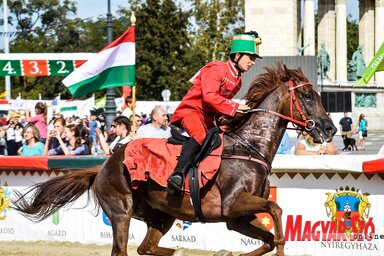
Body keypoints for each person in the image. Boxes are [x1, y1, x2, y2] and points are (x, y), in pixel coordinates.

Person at [167, 31, 262, 192]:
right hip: (191, 111)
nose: (252, 62)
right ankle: (177, 176)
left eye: (254, 59)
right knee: (200, 137)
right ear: (237, 55)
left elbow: (219, 107)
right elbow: (209, 97)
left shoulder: (238, 81)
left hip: (208, 118)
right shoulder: (216, 68)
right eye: (250, 57)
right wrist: (235, 107)